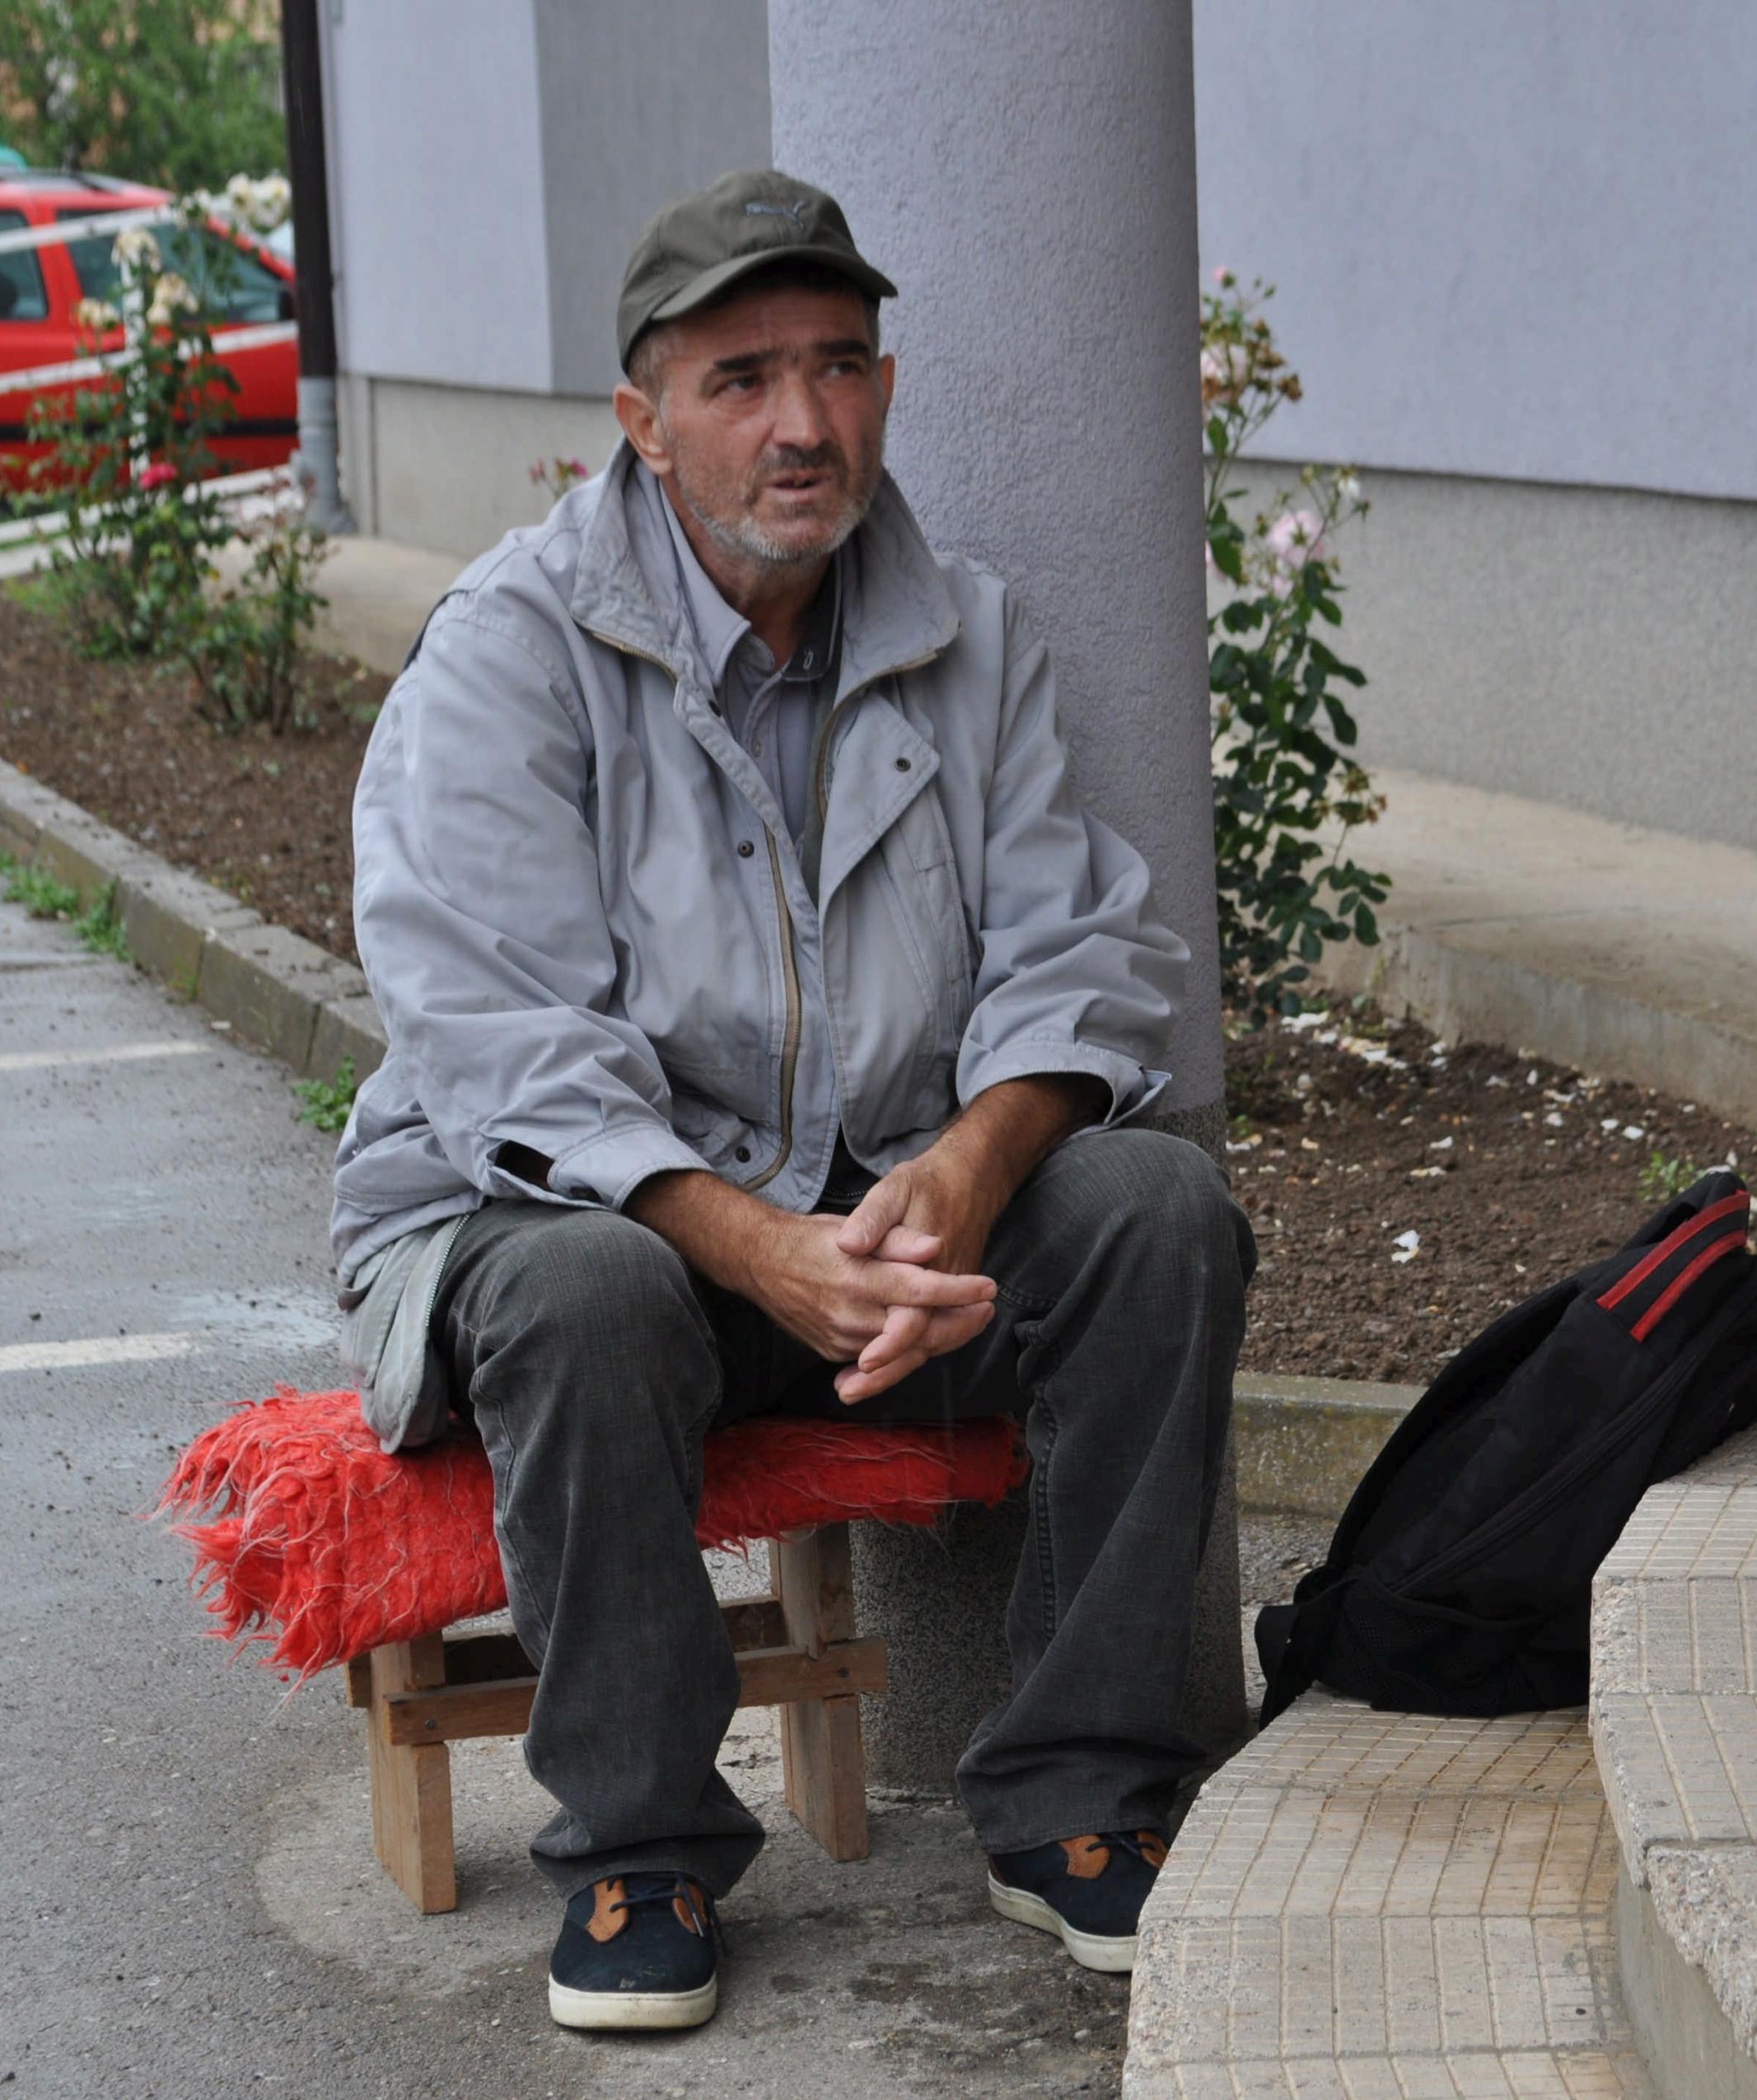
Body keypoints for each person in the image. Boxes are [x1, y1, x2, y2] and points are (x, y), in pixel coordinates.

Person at [330, 168, 1249, 2034]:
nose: (803, 424)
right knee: (584, 1290)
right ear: (642, 423)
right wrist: (752, 1245)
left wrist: (982, 1163)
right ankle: (640, 1847)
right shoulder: (509, 651)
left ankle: (1078, 1791)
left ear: (888, 395)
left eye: (838, 368)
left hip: (870, 1232)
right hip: (594, 1238)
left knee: (1163, 1215)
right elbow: (497, 1035)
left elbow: (1075, 950)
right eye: (741, 378)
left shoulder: (967, 637)